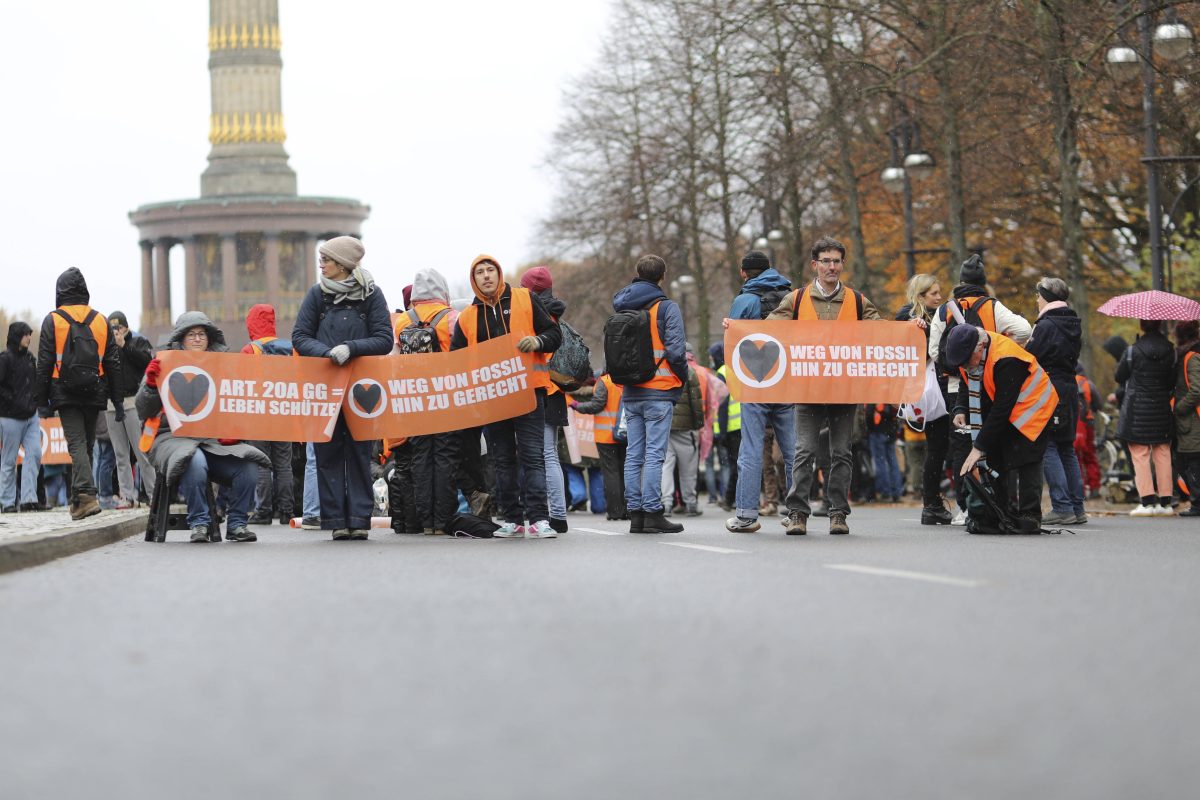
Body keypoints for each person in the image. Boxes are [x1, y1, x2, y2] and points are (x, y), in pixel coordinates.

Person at [766, 237, 884, 536]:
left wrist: (913, 329)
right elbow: (769, 328)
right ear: (814, 265)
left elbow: (882, 332)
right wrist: (738, 329)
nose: (832, 266)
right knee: (804, 451)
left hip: (845, 390)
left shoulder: (857, 301)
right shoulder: (796, 299)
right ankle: (797, 513)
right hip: (807, 390)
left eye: (837, 261)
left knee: (841, 452)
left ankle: (838, 514)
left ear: (842, 264)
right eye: (826, 261)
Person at [450, 255, 561, 538]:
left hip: (528, 392)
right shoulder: (467, 318)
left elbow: (553, 332)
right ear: (473, 280)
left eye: (490, 270)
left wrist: (538, 341)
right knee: (502, 460)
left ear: (499, 274)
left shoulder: (525, 299)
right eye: (479, 273)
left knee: (533, 456)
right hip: (493, 398)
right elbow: (456, 360)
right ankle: (511, 519)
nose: (486, 276)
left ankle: (539, 518)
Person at [292, 236, 394, 540]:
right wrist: (326, 353)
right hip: (325, 386)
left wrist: (351, 347)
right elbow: (300, 336)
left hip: (362, 388)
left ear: (344, 264)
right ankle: (336, 519)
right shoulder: (316, 295)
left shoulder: (372, 295)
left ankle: (360, 520)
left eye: (326, 260)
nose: (321, 265)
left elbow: (384, 338)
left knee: (360, 452)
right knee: (328, 454)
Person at [135, 312, 269, 543]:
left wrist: (231, 431)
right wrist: (150, 384)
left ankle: (237, 524)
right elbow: (143, 410)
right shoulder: (163, 363)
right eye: (191, 334)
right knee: (193, 460)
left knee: (248, 464)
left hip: (212, 440)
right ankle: (200, 523)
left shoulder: (222, 368)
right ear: (181, 339)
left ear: (209, 339)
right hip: (171, 438)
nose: (197, 339)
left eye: (201, 335)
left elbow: (233, 405)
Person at [928, 255, 1031, 524]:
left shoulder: (944, 310)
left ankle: (967, 503)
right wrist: (1002, 345)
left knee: (962, 446)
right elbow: (1025, 329)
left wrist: (955, 364)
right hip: (989, 381)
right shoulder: (992, 307)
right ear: (983, 283)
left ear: (960, 282)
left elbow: (934, 350)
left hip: (955, 386)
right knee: (992, 440)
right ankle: (996, 499)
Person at [944, 324, 1058, 533]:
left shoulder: (1007, 359)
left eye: (968, 361)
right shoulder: (967, 354)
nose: (966, 366)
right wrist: (960, 408)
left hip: (1034, 408)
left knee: (1027, 459)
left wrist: (978, 447)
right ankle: (1000, 511)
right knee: (994, 456)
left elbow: (1001, 409)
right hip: (1007, 407)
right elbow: (966, 381)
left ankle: (1029, 515)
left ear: (980, 348)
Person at [33, 267, 122, 521]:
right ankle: (78, 502)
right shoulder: (101, 320)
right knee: (87, 444)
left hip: (65, 391)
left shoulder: (54, 319)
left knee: (76, 444)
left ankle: (86, 495)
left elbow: (44, 365)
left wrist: (42, 402)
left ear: (60, 290)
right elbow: (114, 364)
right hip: (95, 390)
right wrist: (116, 400)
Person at [611, 255, 688, 534]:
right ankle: (653, 512)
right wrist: (681, 378)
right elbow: (677, 351)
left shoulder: (622, 307)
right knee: (655, 454)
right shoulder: (666, 308)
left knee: (634, 454)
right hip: (659, 390)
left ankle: (636, 514)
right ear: (662, 276)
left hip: (630, 391)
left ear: (637, 274)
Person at [724, 250, 796, 533]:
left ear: (744, 273)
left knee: (751, 448)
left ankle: (746, 514)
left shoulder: (744, 300)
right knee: (792, 450)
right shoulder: (792, 297)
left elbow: (733, 342)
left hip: (755, 381)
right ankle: (796, 510)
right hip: (787, 380)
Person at [397, 268, 460, 536]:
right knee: (445, 456)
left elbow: (393, 363)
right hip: (445, 398)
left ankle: (425, 520)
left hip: (415, 400)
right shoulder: (452, 318)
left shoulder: (401, 322)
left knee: (420, 458)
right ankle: (443, 519)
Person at [1025, 277, 1086, 525]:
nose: (1036, 300)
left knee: (1048, 444)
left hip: (1050, 388)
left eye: (1038, 295)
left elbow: (1030, 356)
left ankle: (1062, 506)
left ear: (1047, 297)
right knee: (1066, 447)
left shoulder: (1046, 325)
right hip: (1070, 387)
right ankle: (1077, 507)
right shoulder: (1073, 323)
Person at [898, 274, 954, 524]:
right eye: (933, 293)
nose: (939, 297)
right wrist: (919, 329)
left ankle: (932, 502)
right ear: (920, 296)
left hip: (932, 388)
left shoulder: (936, 316)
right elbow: (911, 350)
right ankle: (931, 503)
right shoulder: (908, 318)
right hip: (929, 390)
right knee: (937, 447)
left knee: (938, 448)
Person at [519, 265, 571, 532]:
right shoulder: (557, 313)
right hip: (557, 392)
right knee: (549, 454)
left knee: (543, 455)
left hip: (540, 388)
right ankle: (557, 514)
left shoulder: (531, 313)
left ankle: (554, 515)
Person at [1115, 319, 1177, 516]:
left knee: (1140, 454)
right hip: (1161, 408)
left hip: (1137, 410)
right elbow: (1172, 380)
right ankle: (1166, 503)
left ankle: (1147, 502)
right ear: (1160, 325)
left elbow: (1119, 376)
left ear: (1143, 325)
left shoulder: (1133, 351)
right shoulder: (1171, 350)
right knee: (1163, 452)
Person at [240, 303, 294, 526]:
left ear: (251, 324)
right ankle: (287, 512)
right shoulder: (289, 347)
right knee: (284, 464)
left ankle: (263, 511)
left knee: (262, 463)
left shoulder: (250, 350)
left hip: (259, 413)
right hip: (284, 412)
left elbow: (242, 383)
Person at [105, 311, 156, 508]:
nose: (115, 332)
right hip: (112, 403)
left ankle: (152, 494)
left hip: (133, 400)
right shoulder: (107, 347)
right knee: (120, 454)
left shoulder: (138, 342)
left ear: (126, 328)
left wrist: (124, 346)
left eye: (118, 328)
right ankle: (126, 495)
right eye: (112, 329)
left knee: (141, 450)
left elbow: (146, 362)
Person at [0, 321, 43, 513]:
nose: (29, 337)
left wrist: (34, 402)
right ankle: (7, 502)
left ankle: (28, 499)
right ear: (18, 336)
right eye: (26, 334)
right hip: (9, 418)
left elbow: (34, 383)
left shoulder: (30, 358)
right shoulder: (4, 359)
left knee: (34, 454)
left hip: (31, 417)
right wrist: (12, 401)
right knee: (8, 461)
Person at [571, 372, 627, 520]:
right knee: (625, 472)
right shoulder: (629, 378)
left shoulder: (606, 381)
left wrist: (576, 405)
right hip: (627, 433)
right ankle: (628, 509)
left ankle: (615, 511)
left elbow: (597, 404)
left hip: (606, 435)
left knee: (611, 473)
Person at [661, 345, 705, 516]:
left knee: (665, 467)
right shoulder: (688, 372)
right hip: (686, 429)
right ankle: (691, 503)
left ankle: (666, 503)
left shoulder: (661, 369)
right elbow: (696, 402)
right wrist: (698, 424)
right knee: (688, 468)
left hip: (665, 427)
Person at [1174, 320, 1200, 517]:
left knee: (1190, 462)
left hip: (1193, 419)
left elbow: (1196, 389)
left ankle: (1198, 504)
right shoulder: (1189, 355)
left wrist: (1179, 408)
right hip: (1190, 420)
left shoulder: (1191, 357)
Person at [1074, 363, 1102, 497]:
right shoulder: (1088, 384)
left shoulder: (1068, 382)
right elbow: (1098, 404)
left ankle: (1079, 490)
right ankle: (1094, 487)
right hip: (1088, 423)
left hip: (1073, 424)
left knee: (1074, 458)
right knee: (1090, 456)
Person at [867, 403, 902, 501]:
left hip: (878, 432)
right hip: (891, 432)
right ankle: (897, 492)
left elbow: (869, 415)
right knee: (893, 462)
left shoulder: (875, 394)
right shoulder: (892, 394)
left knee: (880, 463)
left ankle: (885, 492)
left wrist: (870, 429)